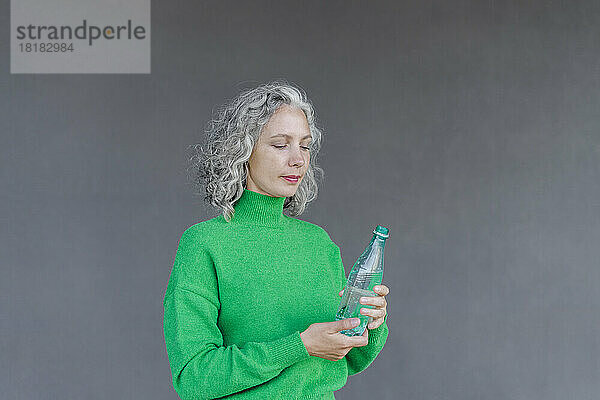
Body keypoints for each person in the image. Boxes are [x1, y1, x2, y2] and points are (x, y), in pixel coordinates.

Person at [163, 80, 390, 400]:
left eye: (305, 145)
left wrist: (370, 324)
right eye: (280, 144)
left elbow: (350, 359)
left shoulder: (318, 244)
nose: (298, 159)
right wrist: (299, 346)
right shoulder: (204, 244)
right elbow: (195, 378)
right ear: (242, 150)